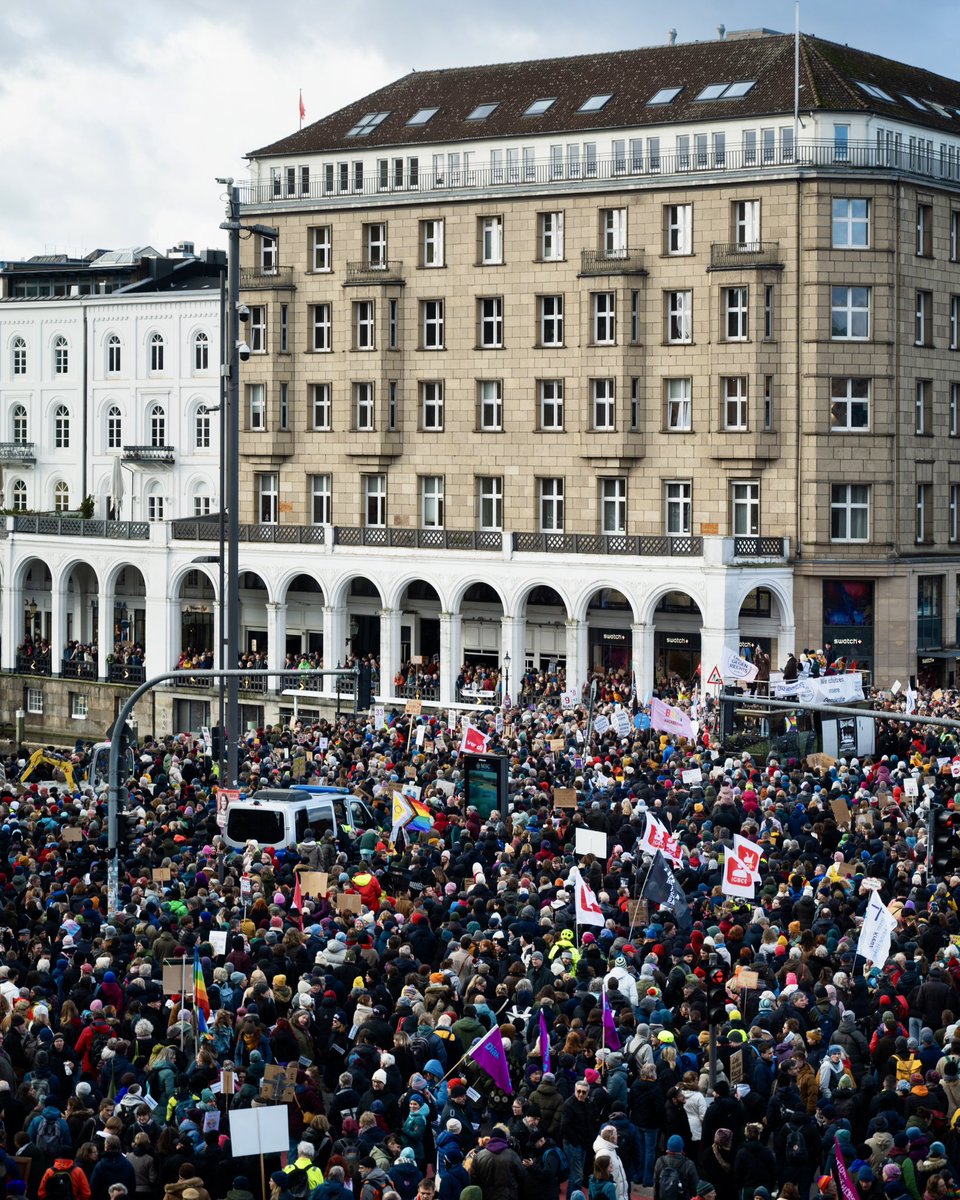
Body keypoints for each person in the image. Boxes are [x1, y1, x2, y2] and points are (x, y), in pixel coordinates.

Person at [470, 1125, 525, 1200]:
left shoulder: (479, 1156)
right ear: (504, 1139)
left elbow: (473, 1178)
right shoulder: (512, 1155)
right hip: (508, 1196)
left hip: (486, 1195)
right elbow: (522, 1175)